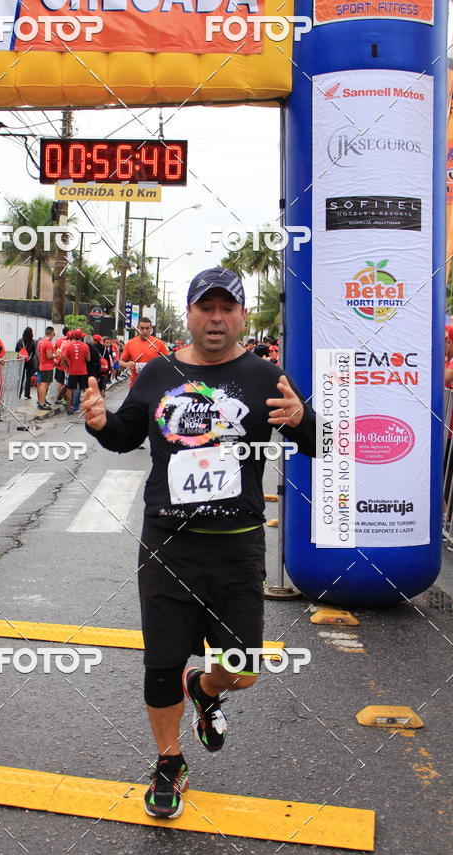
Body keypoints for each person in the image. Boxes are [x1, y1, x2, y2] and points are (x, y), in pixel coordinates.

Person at [82, 267, 316, 819]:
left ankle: (206, 689)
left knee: (244, 668)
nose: (216, 318)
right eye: (205, 308)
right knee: (161, 662)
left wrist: (304, 419)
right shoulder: (157, 373)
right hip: (169, 543)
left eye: (226, 308)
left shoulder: (265, 377)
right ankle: (169, 761)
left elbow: (317, 443)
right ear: (188, 313)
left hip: (236, 546)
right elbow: (124, 437)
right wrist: (99, 423)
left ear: (240, 314)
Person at [120, 317, 168, 389]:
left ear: (151, 329)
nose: (144, 331)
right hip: (135, 385)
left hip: (154, 386)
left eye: (147, 328)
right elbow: (120, 361)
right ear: (138, 328)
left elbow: (168, 362)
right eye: (142, 328)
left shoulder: (159, 343)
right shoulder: (130, 343)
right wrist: (126, 364)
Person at [63, 329, 90, 416]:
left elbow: (63, 357)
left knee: (70, 389)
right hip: (83, 371)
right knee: (86, 389)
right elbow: (88, 359)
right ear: (81, 336)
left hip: (72, 371)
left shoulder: (69, 346)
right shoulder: (85, 346)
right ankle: (87, 408)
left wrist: (68, 365)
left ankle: (69, 409)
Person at [37, 326, 56, 410]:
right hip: (47, 367)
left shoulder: (41, 342)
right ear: (52, 333)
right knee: (44, 385)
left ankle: (41, 402)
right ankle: (42, 403)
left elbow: (39, 354)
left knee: (42, 385)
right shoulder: (48, 343)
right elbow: (49, 356)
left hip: (42, 365)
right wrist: (57, 355)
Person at [16, 327, 36, 400]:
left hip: (21, 361)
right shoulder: (33, 342)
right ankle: (27, 394)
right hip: (30, 361)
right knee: (28, 378)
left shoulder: (20, 341)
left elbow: (16, 350)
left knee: (21, 377)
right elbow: (34, 352)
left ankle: (18, 393)